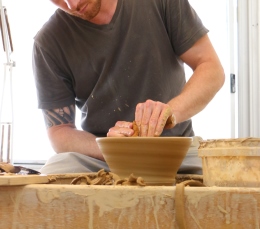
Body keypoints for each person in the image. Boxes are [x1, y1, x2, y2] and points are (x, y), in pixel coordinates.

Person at [32, 0, 225, 174]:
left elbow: (211, 68)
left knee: (218, 180)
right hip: (103, 159)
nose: (72, 5)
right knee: (52, 175)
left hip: (175, 151)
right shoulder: (48, 42)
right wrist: (108, 148)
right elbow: (59, 131)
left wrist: (169, 112)